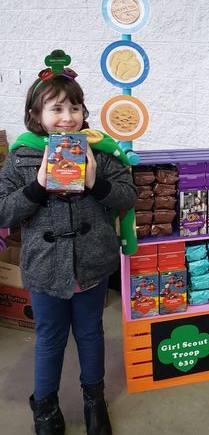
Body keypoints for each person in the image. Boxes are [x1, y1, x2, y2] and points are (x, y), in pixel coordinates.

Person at [0, 51, 137, 434]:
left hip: (91, 267)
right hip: (46, 269)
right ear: (36, 116)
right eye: (56, 108)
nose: (67, 117)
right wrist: (38, 186)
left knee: (91, 333)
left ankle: (95, 402)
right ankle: (44, 408)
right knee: (49, 339)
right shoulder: (23, 157)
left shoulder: (101, 151)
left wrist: (98, 182)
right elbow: (2, 211)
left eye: (75, 107)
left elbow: (128, 199)